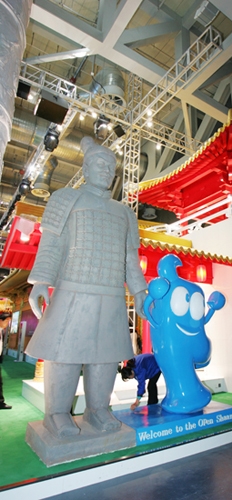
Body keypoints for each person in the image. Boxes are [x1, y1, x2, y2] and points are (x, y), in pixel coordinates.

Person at [26, 136, 147, 439]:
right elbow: (53, 243)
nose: (106, 171)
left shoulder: (124, 213)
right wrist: (41, 280)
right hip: (73, 289)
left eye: (111, 167)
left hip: (110, 294)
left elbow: (130, 259)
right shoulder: (66, 198)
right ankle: (56, 413)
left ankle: (97, 409)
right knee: (66, 353)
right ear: (86, 167)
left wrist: (141, 292)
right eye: (99, 164)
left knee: (105, 356)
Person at [0, 312, 12, 410]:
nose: (8, 323)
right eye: (7, 321)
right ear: (0, 320)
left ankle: (0, 402)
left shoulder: (2, 331)